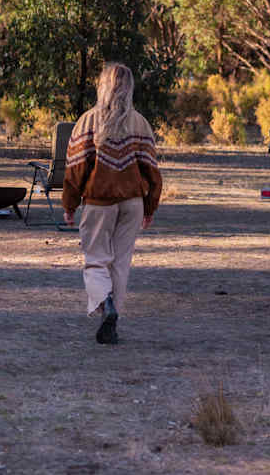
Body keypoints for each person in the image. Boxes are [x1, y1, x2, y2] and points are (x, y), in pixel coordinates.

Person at [61, 61, 162, 344]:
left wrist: (69, 205)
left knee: (96, 261)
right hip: (132, 203)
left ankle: (106, 306)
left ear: (102, 86)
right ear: (129, 88)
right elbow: (151, 170)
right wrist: (150, 206)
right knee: (120, 264)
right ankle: (112, 322)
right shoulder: (139, 122)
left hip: (98, 202)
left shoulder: (87, 121)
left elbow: (75, 169)